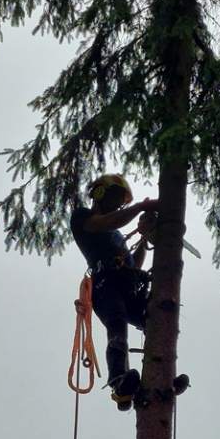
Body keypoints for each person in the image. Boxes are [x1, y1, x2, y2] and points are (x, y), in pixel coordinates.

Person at [70, 174, 158, 410]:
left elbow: (133, 265)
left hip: (126, 284)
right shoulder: (83, 218)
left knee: (156, 318)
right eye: (115, 199)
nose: (118, 205)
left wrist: (144, 237)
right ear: (99, 194)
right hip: (104, 285)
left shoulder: (117, 233)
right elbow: (107, 222)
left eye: (121, 202)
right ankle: (119, 382)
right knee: (117, 324)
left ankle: (160, 378)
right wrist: (140, 207)